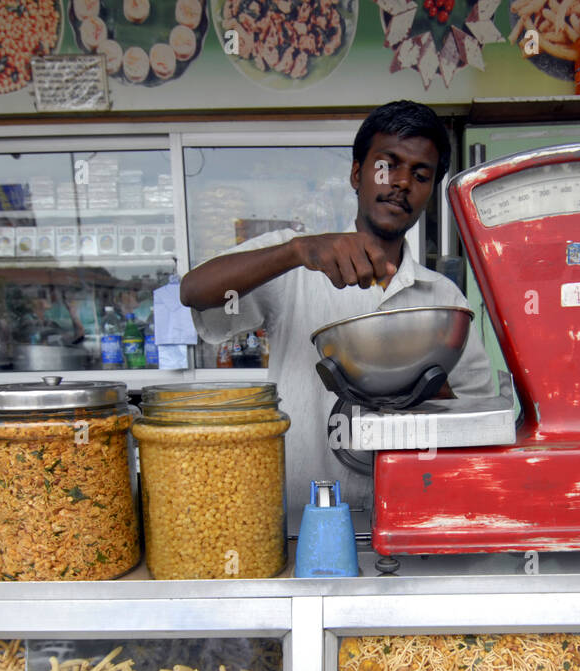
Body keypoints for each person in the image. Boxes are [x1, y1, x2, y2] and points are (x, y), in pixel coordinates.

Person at [180, 100, 495, 522]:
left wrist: (427, 397)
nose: (401, 182)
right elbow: (195, 291)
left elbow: (477, 417)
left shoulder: (445, 300)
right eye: (388, 165)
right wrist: (296, 251)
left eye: (421, 175)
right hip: (299, 521)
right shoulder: (296, 267)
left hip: (409, 519)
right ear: (356, 173)